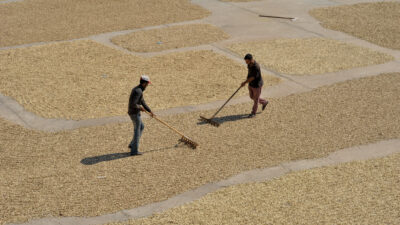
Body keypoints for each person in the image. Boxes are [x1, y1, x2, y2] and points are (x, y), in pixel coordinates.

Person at [128, 75, 154, 156]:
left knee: (141, 127)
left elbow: (142, 101)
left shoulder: (139, 89)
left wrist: (150, 111)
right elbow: (133, 104)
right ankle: (134, 151)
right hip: (134, 113)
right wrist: (140, 108)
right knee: (137, 130)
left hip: (134, 113)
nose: (147, 85)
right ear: (144, 83)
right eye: (147, 84)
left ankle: (132, 144)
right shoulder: (138, 91)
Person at [241, 53, 268, 118]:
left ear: (251, 60)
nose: (246, 62)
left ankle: (253, 113)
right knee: (251, 97)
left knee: (256, 100)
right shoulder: (249, 64)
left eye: (247, 61)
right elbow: (249, 74)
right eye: (245, 61)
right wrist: (246, 81)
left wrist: (244, 82)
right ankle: (264, 102)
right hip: (251, 84)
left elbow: (252, 77)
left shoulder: (256, 67)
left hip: (257, 85)